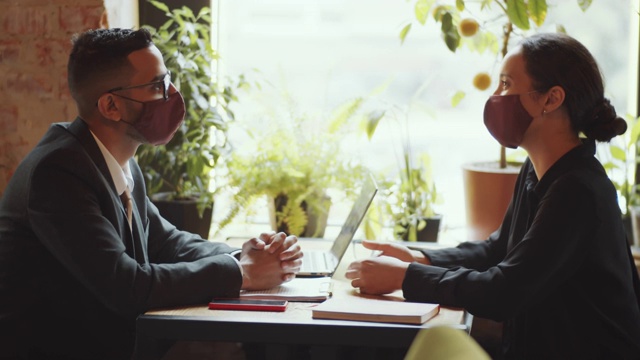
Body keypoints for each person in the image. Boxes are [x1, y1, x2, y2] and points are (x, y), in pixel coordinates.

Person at [0, 28, 302, 360]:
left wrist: (244, 254)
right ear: (111, 105)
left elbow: (165, 242)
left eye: (167, 80)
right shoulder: (57, 173)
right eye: (157, 86)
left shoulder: (118, 162)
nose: (171, 93)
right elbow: (126, 285)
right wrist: (242, 273)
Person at [346, 32, 640, 359]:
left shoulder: (578, 191)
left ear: (551, 99)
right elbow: (497, 250)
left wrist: (406, 278)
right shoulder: (538, 170)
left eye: (505, 84)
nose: (496, 96)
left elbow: (504, 290)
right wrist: (420, 258)